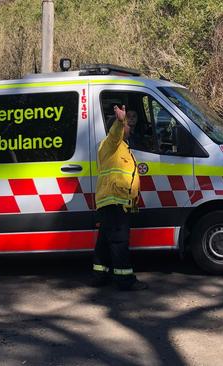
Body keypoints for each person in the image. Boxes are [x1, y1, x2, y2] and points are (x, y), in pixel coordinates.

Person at [91, 104, 148, 291]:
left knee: (105, 242)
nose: (130, 128)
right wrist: (120, 120)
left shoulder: (122, 147)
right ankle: (125, 280)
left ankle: (100, 275)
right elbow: (116, 132)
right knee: (119, 241)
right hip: (114, 200)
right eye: (127, 126)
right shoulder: (111, 143)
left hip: (117, 201)